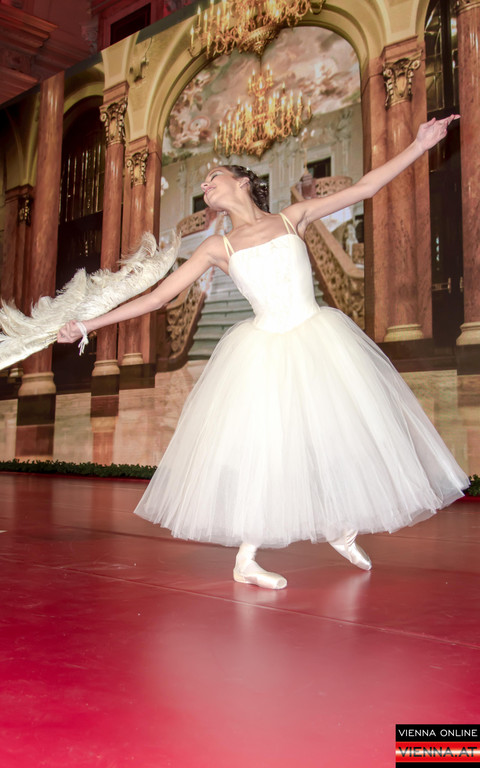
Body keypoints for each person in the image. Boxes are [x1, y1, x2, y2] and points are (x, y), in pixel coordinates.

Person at [58, 115, 469, 590]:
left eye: (214, 177)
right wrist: (86, 325)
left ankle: (339, 526)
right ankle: (246, 560)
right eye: (204, 183)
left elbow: (366, 187)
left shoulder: (293, 217)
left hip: (318, 337)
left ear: (243, 182)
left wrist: (419, 145)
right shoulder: (217, 246)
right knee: (268, 451)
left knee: (333, 434)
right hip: (264, 351)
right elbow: (157, 298)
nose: (206, 185)